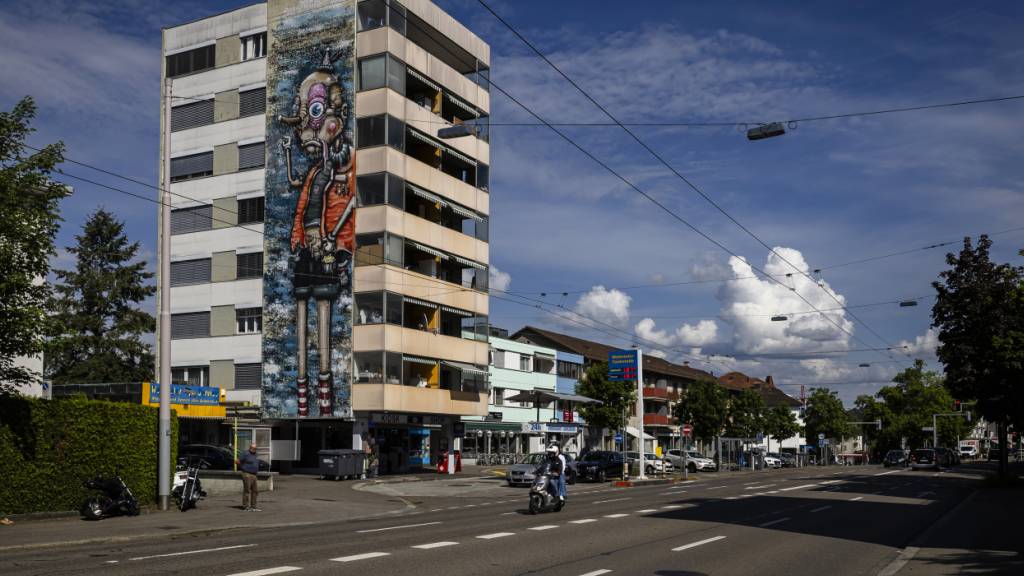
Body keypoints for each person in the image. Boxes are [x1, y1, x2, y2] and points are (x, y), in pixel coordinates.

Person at [236, 443, 261, 511]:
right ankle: (245, 506)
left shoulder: (255, 454)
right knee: (247, 490)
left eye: (256, 449)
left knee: (255, 491)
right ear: (250, 448)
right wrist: (243, 468)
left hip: (254, 474)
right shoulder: (245, 453)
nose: (255, 450)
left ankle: (253, 506)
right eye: (253, 448)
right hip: (247, 474)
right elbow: (237, 461)